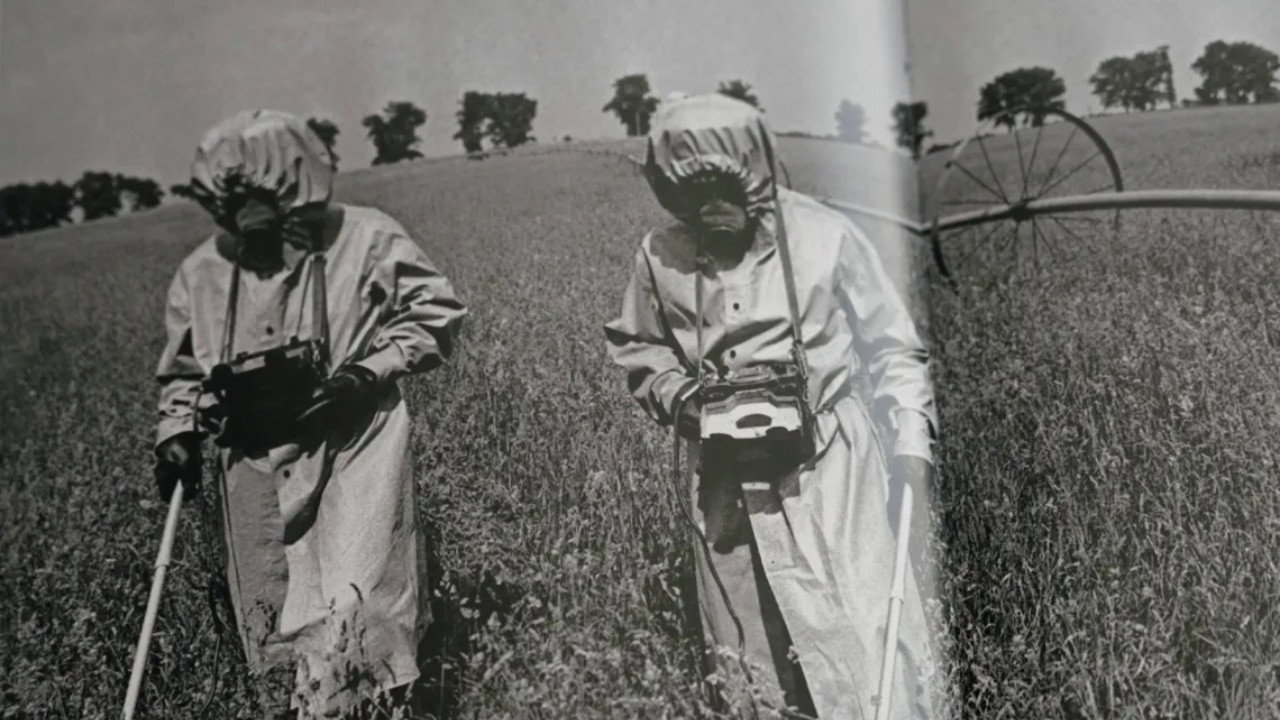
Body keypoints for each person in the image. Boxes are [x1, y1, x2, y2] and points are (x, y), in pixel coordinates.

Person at [604, 94, 939, 719]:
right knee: (748, 647)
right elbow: (639, 346)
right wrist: (684, 400)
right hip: (726, 474)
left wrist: (911, 444)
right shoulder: (659, 256)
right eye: (691, 194)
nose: (710, 208)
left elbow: (894, 348)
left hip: (831, 468)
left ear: (754, 173)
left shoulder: (823, 236)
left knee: (861, 630)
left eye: (722, 187)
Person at [151, 109, 467, 717]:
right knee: (275, 608)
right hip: (254, 461)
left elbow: (437, 311)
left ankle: (376, 708)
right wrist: (177, 433)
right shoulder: (203, 274)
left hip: (355, 441)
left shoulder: (367, 238)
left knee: (361, 600)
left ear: (301, 191)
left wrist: (365, 372)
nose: (262, 238)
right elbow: (183, 374)